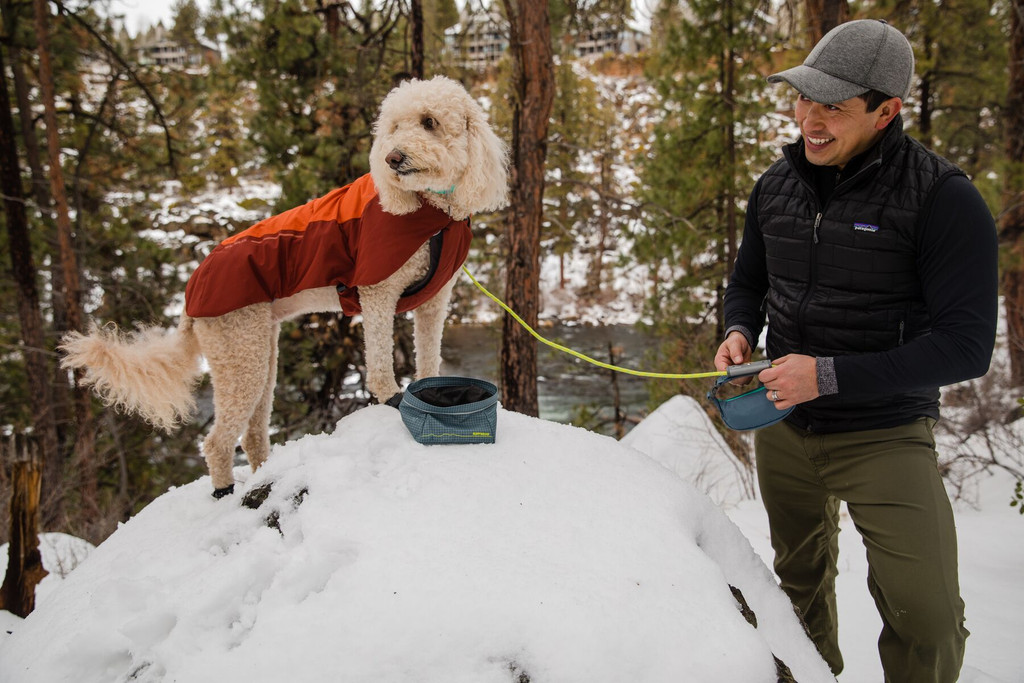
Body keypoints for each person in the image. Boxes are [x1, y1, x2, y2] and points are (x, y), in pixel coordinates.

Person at [713, 19, 998, 682]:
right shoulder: (773, 187)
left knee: (926, 613)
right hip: (782, 423)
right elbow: (749, 282)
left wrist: (830, 376)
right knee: (795, 591)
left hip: (886, 432)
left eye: (833, 107)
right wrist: (736, 329)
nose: (809, 120)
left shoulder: (943, 198)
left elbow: (966, 347)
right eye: (803, 99)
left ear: (885, 111)